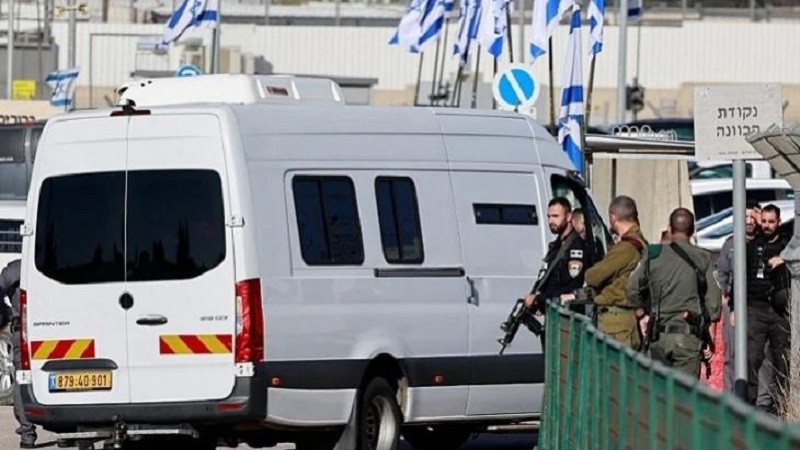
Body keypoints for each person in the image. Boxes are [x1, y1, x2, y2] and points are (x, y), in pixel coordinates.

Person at [627, 208, 721, 378]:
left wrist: (641, 314)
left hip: (659, 337)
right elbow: (713, 302)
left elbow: (632, 288)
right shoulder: (703, 257)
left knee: (660, 389)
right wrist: (709, 333)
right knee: (686, 392)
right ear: (692, 230)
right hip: (688, 338)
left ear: (669, 229)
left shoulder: (653, 255)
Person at [732, 204, 791, 410]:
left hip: (779, 311)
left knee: (782, 359)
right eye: (764, 221)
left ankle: (782, 405)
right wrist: (735, 307)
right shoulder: (751, 246)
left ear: (779, 222)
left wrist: (784, 260)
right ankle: (749, 405)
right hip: (755, 308)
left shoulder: (787, 245)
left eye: (771, 222)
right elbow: (739, 278)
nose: (767, 226)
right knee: (752, 357)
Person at [584, 196, 648, 350]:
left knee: (612, 364)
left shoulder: (626, 247)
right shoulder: (639, 242)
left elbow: (593, 276)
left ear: (613, 218)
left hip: (616, 323)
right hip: (623, 320)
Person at [716, 200, 761, 392]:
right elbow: (722, 274)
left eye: (753, 217)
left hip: (758, 307)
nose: (749, 221)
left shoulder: (763, 244)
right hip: (733, 307)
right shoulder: (730, 244)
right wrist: (725, 298)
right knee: (732, 355)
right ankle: (730, 397)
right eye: (746, 216)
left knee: (757, 355)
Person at [524, 198, 590, 314]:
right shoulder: (558, 245)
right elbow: (549, 277)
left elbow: (570, 287)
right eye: (549, 217)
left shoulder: (575, 248)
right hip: (554, 311)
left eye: (555, 216)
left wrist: (540, 299)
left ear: (568, 217)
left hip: (567, 314)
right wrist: (537, 297)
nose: (551, 221)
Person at [0, 259, 37, 448]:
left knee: (23, 378)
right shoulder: (56, 259)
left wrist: (5, 315)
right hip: (54, 329)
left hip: (25, 332)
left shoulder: (14, 269)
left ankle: (27, 433)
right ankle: (65, 429)